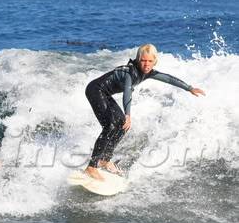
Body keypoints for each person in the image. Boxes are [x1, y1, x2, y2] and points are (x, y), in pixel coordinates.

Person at [84, 44, 205, 181]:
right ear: (138, 59)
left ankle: (105, 160)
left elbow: (168, 78)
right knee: (110, 126)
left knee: (122, 124)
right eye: (143, 61)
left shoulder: (148, 72)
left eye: (149, 61)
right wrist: (128, 115)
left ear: (154, 61)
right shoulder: (129, 72)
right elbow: (127, 92)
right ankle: (91, 167)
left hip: (105, 93)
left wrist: (189, 88)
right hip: (95, 90)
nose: (146, 64)